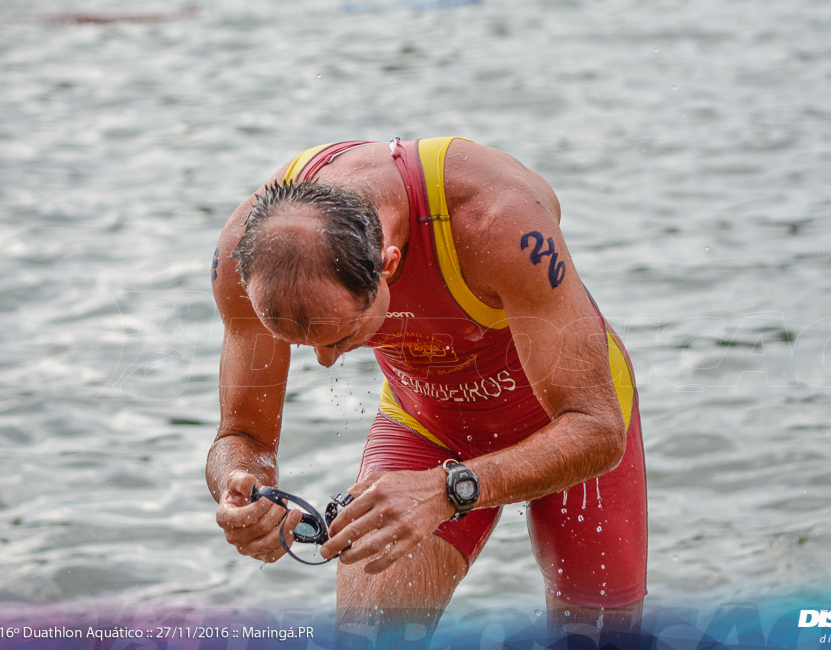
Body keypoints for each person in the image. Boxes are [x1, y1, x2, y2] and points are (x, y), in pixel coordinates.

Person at [206, 137, 647, 643]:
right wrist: (241, 489)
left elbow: (598, 429)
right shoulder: (248, 254)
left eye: (343, 336)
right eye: (300, 343)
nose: (327, 360)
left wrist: (446, 490)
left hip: (565, 424)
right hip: (426, 422)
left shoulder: (496, 220)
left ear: (388, 264)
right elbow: (241, 434)